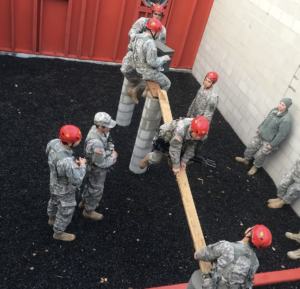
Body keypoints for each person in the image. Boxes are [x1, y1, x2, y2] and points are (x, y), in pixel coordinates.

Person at [187, 225, 272, 289]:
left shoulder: (226, 246)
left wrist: (198, 254)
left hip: (212, 286)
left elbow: (200, 255)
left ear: (249, 234)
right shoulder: (255, 263)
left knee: (197, 276)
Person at [46, 125, 86, 242]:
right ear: (70, 143)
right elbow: (77, 180)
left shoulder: (53, 143)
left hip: (54, 181)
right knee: (66, 210)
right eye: (77, 140)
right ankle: (58, 232)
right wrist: (82, 165)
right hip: (64, 189)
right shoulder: (68, 162)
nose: (79, 142)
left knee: (53, 201)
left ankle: (51, 218)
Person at [235, 98, 292, 176]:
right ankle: (246, 159)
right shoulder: (274, 110)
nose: (280, 106)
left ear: (287, 107)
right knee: (251, 146)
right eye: (280, 103)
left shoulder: (286, 119)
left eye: (283, 105)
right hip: (261, 135)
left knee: (261, 155)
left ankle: (255, 167)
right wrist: (259, 127)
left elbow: (282, 134)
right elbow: (266, 120)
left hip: (269, 141)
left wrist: (272, 145)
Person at [121, 18, 171, 105]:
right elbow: (152, 62)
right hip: (146, 70)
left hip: (136, 66)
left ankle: (138, 90)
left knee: (153, 76)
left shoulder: (137, 36)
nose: (158, 34)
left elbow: (130, 47)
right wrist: (164, 58)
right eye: (157, 32)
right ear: (153, 31)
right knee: (167, 83)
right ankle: (158, 103)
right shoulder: (150, 42)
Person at [79, 112, 118, 221]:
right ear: (101, 127)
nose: (110, 127)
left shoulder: (99, 130)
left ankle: (84, 202)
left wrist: (110, 148)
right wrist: (113, 157)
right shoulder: (96, 143)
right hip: (96, 169)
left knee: (90, 185)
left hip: (96, 162)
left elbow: (108, 139)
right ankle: (88, 211)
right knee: (96, 189)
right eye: (108, 125)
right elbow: (99, 162)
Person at [139, 116, 209, 175]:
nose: (198, 138)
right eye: (196, 135)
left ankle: (169, 155)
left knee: (176, 160)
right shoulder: (180, 130)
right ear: (192, 129)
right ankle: (148, 158)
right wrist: (176, 166)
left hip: (178, 142)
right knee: (156, 159)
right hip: (164, 139)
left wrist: (184, 160)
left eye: (200, 136)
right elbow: (175, 148)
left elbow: (192, 147)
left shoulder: (201, 133)